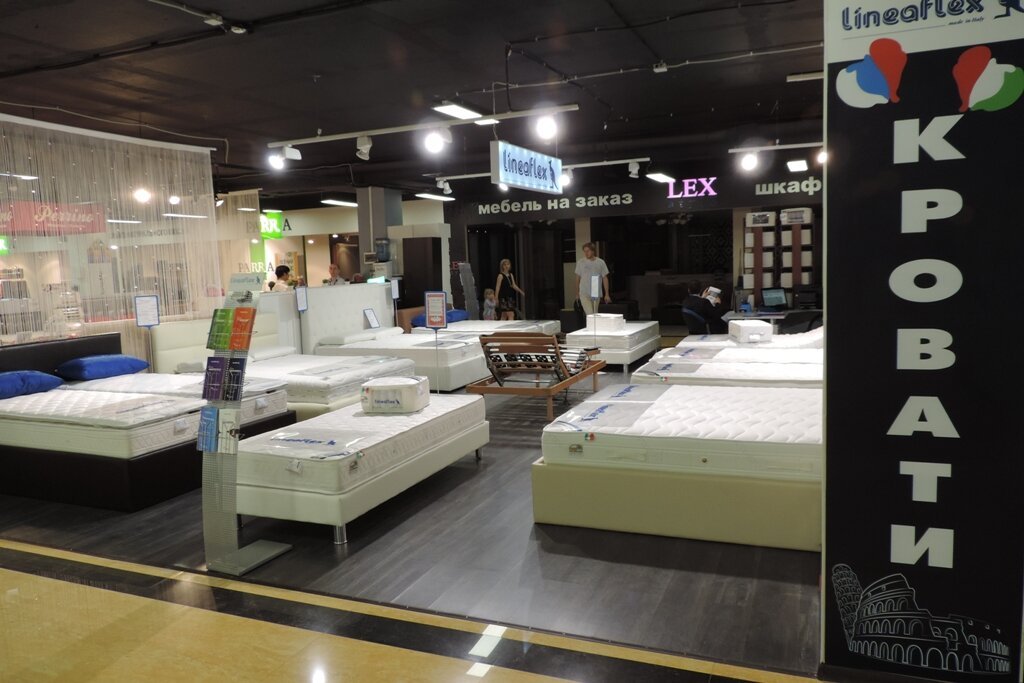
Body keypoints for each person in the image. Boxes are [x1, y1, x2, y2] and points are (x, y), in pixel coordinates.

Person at [574, 242, 610, 315]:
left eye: (588, 251)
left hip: (595, 291)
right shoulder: (581, 262)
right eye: (584, 251)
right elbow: (577, 278)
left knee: (595, 314)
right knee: (590, 313)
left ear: (593, 251)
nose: (586, 253)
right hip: (584, 292)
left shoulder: (600, 262)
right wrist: (577, 293)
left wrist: (607, 294)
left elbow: (605, 278)